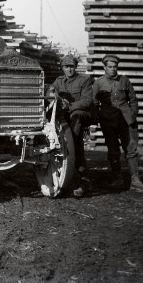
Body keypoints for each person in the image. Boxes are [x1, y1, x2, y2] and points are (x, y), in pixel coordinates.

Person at [92, 54, 143, 192]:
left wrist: (133, 113)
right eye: (110, 67)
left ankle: (135, 181)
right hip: (109, 121)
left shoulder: (125, 80)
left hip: (126, 120)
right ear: (104, 67)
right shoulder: (98, 83)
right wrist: (99, 117)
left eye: (115, 67)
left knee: (131, 150)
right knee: (113, 151)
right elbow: (94, 103)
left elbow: (133, 98)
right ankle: (117, 179)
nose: (113, 69)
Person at [52, 54, 93, 197]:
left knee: (75, 147)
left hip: (79, 117)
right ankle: (62, 180)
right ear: (62, 68)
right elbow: (52, 96)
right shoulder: (58, 82)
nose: (69, 70)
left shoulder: (84, 81)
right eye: (66, 67)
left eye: (71, 67)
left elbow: (87, 101)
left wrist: (69, 106)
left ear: (75, 67)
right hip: (64, 119)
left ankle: (84, 183)